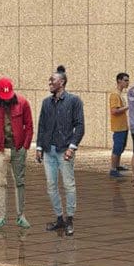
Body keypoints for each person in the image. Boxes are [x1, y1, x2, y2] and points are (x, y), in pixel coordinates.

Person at [36, 67, 86, 235]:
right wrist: (39, 147)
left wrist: (72, 147)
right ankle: (59, 218)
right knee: (51, 186)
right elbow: (42, 125)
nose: (50, 83)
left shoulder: (74, 101)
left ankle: (70, 219)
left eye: (53, 80)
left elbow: (80, 126)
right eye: (50, 80)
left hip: (65, 150)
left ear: (62, 82)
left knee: (68, 185)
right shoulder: (46, 103)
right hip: (48, 150)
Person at [0, 76, 34, 230]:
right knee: (1, 183)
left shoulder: (23, 103)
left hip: (18, 149)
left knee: (20, 182)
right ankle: (1, 216)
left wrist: (25, 146)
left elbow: (29, 125)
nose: (7, 100)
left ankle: (21, 216)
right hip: (0, 149)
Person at [106, 72, 132, 177]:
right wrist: (128, 107)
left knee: (121, 146)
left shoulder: (120, 94)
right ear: (119, 81)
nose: (127, 82)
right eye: (125, 80)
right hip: (118, 127)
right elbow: (114, 111)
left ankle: (117, 165)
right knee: (117, 147)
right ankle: (113, 169)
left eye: (128, 80)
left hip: (123, 126)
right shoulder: (115, 94)